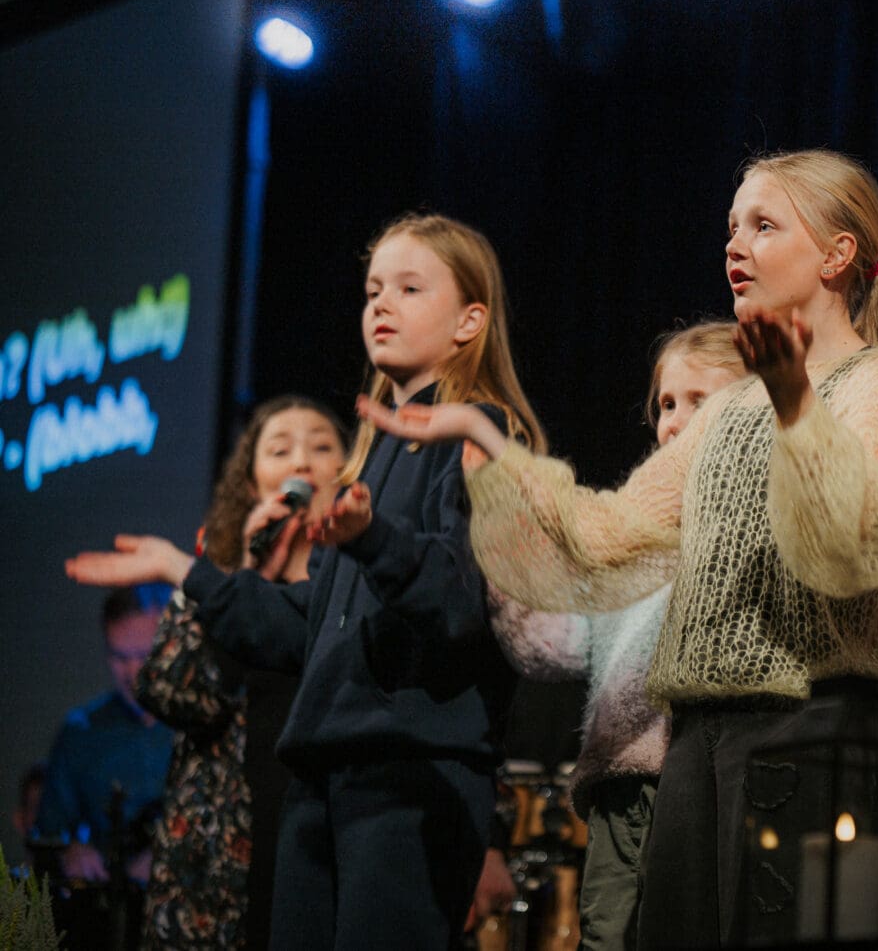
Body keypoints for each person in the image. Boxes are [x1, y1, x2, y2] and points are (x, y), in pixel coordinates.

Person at [359, 149, 878, 948]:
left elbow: (853, 544)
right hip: (696, 743)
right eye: (731, 227)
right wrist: (487, 442)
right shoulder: (727, 411)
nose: (735, 245)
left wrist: (796, 401)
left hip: (803, 730)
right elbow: (606, 535)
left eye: (763, 226)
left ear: (837, 255)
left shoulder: (876, 381)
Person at [66, 212, 541, 949]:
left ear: (469, 321)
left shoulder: (482, 435)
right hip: (321, 778)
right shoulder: (368, 460)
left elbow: (460, 603)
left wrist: (371, 538)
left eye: (409, 288)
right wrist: (183, 569)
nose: (381, 305)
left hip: (408, 777)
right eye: (373, 290)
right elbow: (303, 626)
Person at [488, 319, 744, 950]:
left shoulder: (747, 524)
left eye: (699, 401)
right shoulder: (631, 536)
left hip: (707, 781)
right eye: (666, 404)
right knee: (608, 936)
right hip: (623, 787)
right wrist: (507, 550)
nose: (675, 423)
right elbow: (555, 642)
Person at [135, 394, 348, 949]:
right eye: (280, 451)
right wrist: (245, 573)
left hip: (327, 842)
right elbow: (168, 690)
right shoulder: (217, 576)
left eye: (321, 447)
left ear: (347, 473)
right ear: (253, 484)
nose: (301, 462)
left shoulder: (359, 586)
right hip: (221, 858)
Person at [34, 586, 173, 887]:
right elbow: (47, 835)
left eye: (143, 655)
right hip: (109, 902)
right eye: (119, 657)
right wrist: (70, 853)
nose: (132, 672)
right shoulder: (80, 732)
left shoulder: (202, 723)